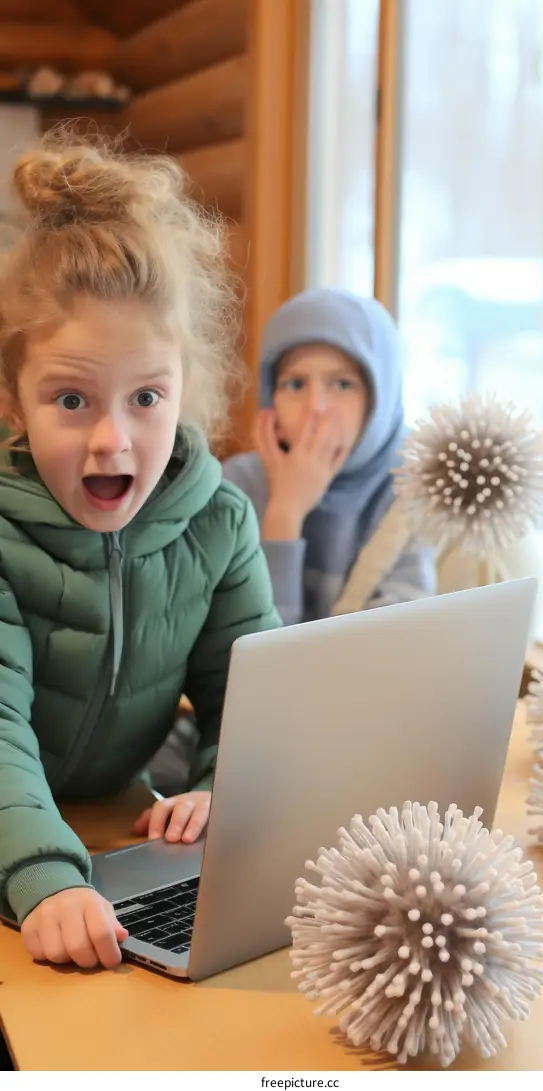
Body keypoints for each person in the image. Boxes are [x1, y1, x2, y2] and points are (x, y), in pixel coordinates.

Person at [0, 129, 279, 971]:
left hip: (113, 831)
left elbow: (251, 696)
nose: (113, 439)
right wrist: (45, 877)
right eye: (72, 398)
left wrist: (216, 789)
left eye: (147, 396)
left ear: (186, 391)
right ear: (12, 401)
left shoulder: (219, 524)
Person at [223, 287, 436, 624]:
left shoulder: (412, 491)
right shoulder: (236, 487)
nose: (315, 409)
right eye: (294, 384)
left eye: (342, 384)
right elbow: (258, 656)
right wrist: (285, 514)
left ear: (379, 399)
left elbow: (395, 655)